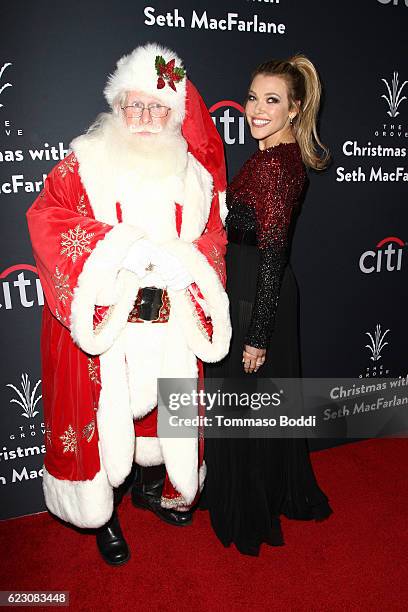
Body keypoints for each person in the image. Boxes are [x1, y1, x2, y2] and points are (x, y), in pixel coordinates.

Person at [26, 42, 231, 566]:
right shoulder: (84, 161)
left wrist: (188, 261)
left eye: (158, 108)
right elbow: (48, 217)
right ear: (117, 106)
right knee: (103, 417)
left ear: (174, 116)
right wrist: (121, 248)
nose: (144, 117)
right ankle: (105, 512)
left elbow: (212, 234)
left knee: (158, 413)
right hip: (109, 319)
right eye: (134, 105)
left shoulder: (194, 175)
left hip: (167, 322)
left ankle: (148, 485)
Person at [202, 55, 333, 556]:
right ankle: (261, 492)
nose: (256, 108)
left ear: (294, 110)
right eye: (253, 97)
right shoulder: (267, 158)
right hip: (250, 288)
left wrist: (257, 334)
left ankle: (249, 508)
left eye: (271, 100)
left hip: (259, 294)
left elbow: (273, 254)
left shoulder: (276, 166)